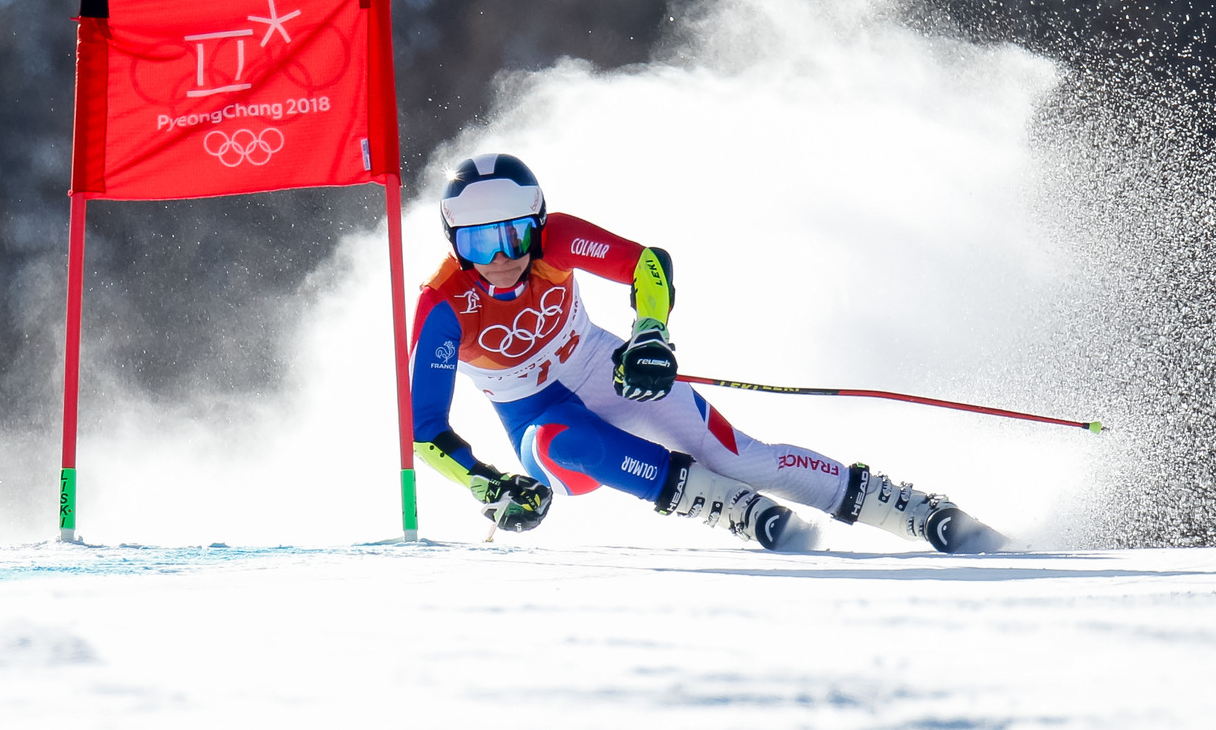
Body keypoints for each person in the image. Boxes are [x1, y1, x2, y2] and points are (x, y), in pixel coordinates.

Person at [409, 153, 1006, 553]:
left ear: (536, 223)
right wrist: (488, 486)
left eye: (513, 233)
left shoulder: (557, 238)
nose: (500, 255)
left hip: (606, 368)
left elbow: (647, 264)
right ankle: (727, 509)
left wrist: (649, 333)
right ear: (454, 242)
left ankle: (911, 510)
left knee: (744, 457)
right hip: (541, 425)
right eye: (478, 241)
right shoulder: (443, 305)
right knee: (558, 441)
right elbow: (424, 429)